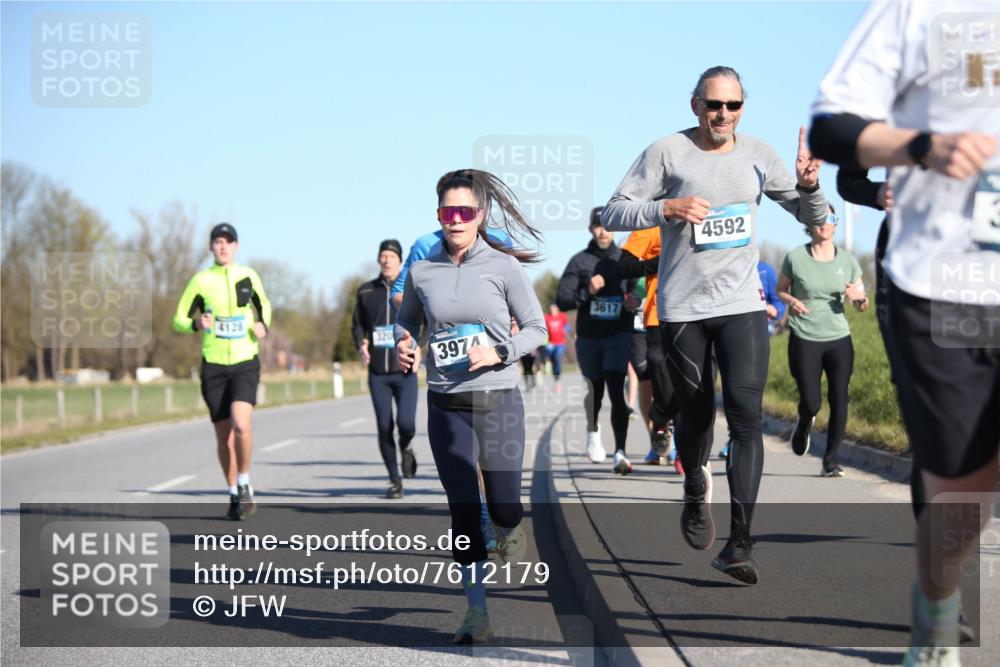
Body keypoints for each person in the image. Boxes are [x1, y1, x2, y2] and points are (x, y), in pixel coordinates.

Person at [811, 2, 997, 656]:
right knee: (962, 478)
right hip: (941, 277)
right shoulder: (919, 9)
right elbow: (833, 130)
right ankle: (938, 603)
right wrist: (921, 147)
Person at [602, 66, 828, 584]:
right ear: (695, 105)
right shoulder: (667, 152)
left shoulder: (757, 154)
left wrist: (811, 187)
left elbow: (809, 214)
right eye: (713, 105)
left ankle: (740, 543)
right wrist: (666, 208)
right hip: (683, 309)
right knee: (698, 414)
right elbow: (614, 213)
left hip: (741, 304)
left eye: (732, 105)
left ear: (743, 107)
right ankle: (694, 490)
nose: (722, 114)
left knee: (745, 417)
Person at [394, 168, 546, 644]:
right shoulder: (422, 271)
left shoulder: (503, 267)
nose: (455, 220)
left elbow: (537, 329)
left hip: (497, 397)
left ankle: (504, 524)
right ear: (438, 215)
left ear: (479, 215)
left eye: (464, 212)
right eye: (446, 212)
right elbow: (406, 326)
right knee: (462, 510)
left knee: (504, 506)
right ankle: (476, 613)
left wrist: (499, 351)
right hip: (445, 402)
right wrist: (405, 346)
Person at [173, 223, 272, 520]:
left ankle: (244, 482)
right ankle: (232, 491)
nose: (223, 247)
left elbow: (263, 304)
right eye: (218, 242)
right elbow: (178, 317)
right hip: (214, 364)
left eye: (228, 242)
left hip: (245, 360)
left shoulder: (248, 275)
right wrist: (194, 324)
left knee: (242, 424)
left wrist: (262, 324)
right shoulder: (201, 281)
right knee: (224, 436)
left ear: (236, 246)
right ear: (211, 247)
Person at [776, 206, 868, 477]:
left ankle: (830, 460)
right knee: (812, 401)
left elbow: (863, 303)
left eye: (830, 219)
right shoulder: (795, 257)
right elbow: (780, 289)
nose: (824, 224)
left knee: (840, 397)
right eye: (818, 219)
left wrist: (859, 298)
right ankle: (805, 421)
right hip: (805, 335)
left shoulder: (848, 261)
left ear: (836, 225)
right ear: (809, 224)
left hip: (839, 337)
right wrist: (792, 301)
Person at [556, 207, 640, 474]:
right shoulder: (579, 262)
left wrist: (632, 303)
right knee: (595, 389)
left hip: (618, 334)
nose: (603, 231)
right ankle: (593, 431)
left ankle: (621, 452)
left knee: (617, 388)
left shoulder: (625, 260)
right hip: (589, 337)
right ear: (591, 229)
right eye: (597, 226)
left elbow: (635, 292)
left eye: (607, 226)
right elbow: (562, 299)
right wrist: (587, 291)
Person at [352, 239, 418, 499]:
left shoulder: (411, 289)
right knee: (383, 425)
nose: (387, 259)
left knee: (406, 423)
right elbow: (358, 325)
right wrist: (361, 343)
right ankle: (394, 480)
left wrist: (419, 344)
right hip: (378, 373)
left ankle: (406, 446)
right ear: (378, 260)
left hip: (406, 370)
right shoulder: (366, 291)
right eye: (383, 255)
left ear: (400, 261)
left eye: (392, 255)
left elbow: (423, 321)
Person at [619, 228, 681, 471]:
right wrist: (626, 300)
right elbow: (622, 279)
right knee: (648, 379)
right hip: (642, 324)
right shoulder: (643, 240)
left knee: (675, 382)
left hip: (675, 315)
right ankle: (657, 438)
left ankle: (680, 448)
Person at [543, 304, 568, 383]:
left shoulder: (562, 316)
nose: (552, 311)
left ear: (557, 310)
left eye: (553, 309)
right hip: (550, 343)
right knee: (552, 360)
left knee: (557, 358)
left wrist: (565, 331)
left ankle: (557, 377)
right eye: (551, 309)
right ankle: (554, 375)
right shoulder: (547, 317)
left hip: (560, 343)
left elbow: (567, 326)